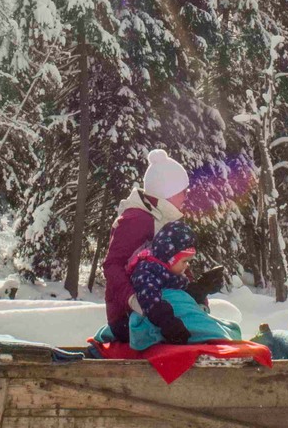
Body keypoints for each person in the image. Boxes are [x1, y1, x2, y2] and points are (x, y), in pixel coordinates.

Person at [100, 149, 193, 346]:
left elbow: (171, 266)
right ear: (168, 192)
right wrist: (136, 301)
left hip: (158, 306)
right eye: (183, 191)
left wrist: (197, 292)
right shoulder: (137, 220)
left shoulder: (162, 218)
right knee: (195, 330)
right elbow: (112, 266)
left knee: (194, 322)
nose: (186, 196)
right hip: (128, 317)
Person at [123, 221, 240, 348]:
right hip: (154, 324)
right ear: (169, 257)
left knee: (229, 327)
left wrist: (202, 287)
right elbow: (150, 302)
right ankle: (219, 339)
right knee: (206, 329)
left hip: (175, 318)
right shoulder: (147, 270)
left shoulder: (172, 274)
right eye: (184, 261)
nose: (187, 265)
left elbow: (183, 298)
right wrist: (168, 323)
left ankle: (224, 335)